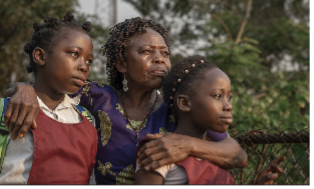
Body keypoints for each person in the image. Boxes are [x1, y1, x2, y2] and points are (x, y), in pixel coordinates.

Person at [3, 17, 248, 185]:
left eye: (164, 53)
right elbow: (51, 84)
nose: (159, 59)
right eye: (146, 52)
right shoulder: (96, 97)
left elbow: (237, 155)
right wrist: (24, 89)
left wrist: (187, 145)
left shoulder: (179, 109)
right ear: (121, 64)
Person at [134, 55, 285, 185]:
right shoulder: (158, 150)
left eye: (229, 98)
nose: (229, 106)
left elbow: (239, 156)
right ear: (185, 103)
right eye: (218, 96)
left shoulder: (217, 153)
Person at [0, 12, 98, 185]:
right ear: (40, 56)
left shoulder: (87, 120)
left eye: (89, 61)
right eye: (74, 54)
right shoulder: (6, 111)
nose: (84, 66)